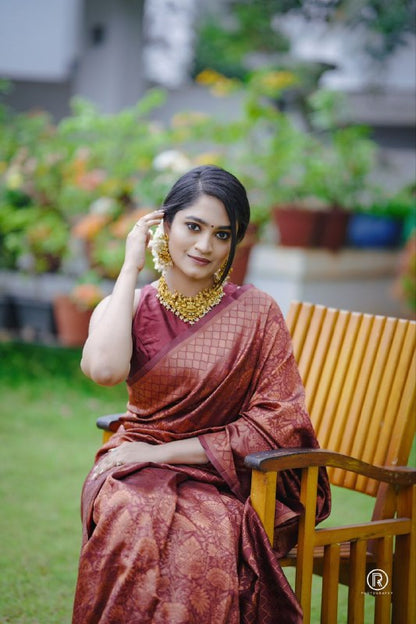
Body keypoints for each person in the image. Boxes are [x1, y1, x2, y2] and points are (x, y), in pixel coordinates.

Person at [72, 165, 330, 623]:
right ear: (164, 226)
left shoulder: (255, 312)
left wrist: (161, 454)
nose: (205, 246)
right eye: (193, 226)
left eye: (222, 234)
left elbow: (277, 422)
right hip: (133, 462)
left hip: (223, 475)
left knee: (203, 537)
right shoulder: (131, 304)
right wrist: (131, 266)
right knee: (130, 516)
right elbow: (106, 370)